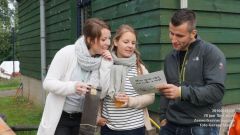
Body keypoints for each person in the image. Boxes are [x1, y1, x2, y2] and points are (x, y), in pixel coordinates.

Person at [156, 9, 226, 135]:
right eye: (171, 33)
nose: (173, 40)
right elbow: (165, 91)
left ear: (193, 33)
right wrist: (162, 117)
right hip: (170, 125)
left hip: (201, 127)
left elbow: (216, 91)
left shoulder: (211, 53)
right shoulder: (169, 57)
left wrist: (181, 92)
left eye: (180, 36)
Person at [37, 18, 112, 135]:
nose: (108, 43)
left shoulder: (102, 60)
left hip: (83, 119)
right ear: (90, 39)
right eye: (104, 39)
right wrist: (73, 87)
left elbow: (101, 94)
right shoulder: (67, 53)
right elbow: (47, 83)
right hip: (61, 118)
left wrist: (106, 66)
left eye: (109, 38)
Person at [98, 24, 155, 135]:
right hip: (109, 128)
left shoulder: (139, 68)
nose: (130, 46)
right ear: (115, 42)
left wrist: (130, 101)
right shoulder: (105, 64)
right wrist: (96, 117)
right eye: (126, 42)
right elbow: (97, 92)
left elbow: (150, 97)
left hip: (135, 128)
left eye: (133, 43)